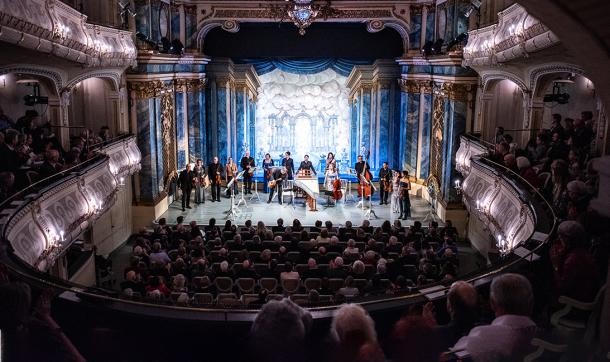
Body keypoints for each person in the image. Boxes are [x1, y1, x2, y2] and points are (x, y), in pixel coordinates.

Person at [451, 273, 537, 362]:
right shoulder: (548, 334)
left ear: (493, 304)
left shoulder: (481, 336)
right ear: (531, 301)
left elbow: (452, 357)